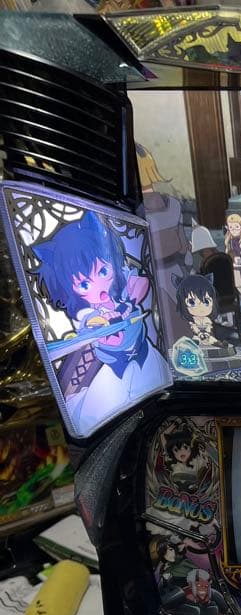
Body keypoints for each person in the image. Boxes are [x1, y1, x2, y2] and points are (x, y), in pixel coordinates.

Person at [31, 210, 167, 435]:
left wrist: (129, 300)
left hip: (148, 362)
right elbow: (99, 330)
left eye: (103, 271)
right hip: (114, 375)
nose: (100, 287)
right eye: (84, 285)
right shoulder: (89, 315)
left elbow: (141, 283)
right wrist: (105, 325)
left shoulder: (122, 291)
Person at [136, 143, 192, 343]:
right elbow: (185, 249)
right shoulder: (173, 205)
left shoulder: (138, 213)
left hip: (153, 279)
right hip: (173, 274)